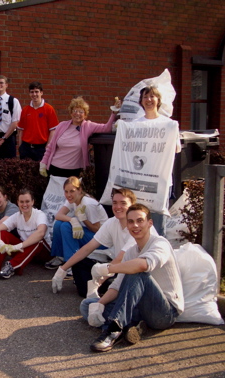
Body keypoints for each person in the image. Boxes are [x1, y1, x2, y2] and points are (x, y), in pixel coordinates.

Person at [81, 204, 184, 352]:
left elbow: (142, 266)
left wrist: (107, 268)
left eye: (140, 220)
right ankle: (131, 327)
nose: (135, 225)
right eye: (130, 221)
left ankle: (113, 330)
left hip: (164, 312)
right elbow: (117, 286)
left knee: (137, 272)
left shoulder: (160, 244)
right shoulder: (131, 252)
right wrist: (99, 305)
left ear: (150, 223)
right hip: (139, 307)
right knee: (87, 305)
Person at [52, 188, 151, 297]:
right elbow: (88, 247)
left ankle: (103, 290)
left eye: (123, 203)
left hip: (134, 271)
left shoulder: (136, 228)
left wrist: (97, 283)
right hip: (116, 267)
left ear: (132, 205)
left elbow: (120, 258)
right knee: (79, 263)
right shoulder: (112, 222)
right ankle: (99, 290)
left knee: (108, 282)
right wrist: (63, 269)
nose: (118, 207)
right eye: (115, 203)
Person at [133, 86, 181, 236]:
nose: (149, 100)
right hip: (140, 179)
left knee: (159, 222)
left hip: (160, 180)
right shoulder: (135, 124)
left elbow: (177, 149)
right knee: (139, 217)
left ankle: (160, 253)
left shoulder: (168, 124)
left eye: (152, 96)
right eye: (145, 97)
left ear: (158, 100)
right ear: (141, 101)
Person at [0, 189, 51, 279]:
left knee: (38, 240)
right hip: (24, 251)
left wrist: (18, 246)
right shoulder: (16, 216)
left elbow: (41, 233)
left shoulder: (39, 214)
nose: (24, 205)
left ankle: (12, 266)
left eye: (27, 201)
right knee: (3, 233)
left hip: (43, 253)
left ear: (32, 202)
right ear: (18, 203)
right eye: (21, 202)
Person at [40, 96, 121, 178]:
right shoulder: (61, 125)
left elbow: (107, 128)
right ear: (71, 112)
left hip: (73, 172)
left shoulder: (88, 126)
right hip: (54, 168)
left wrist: (114, 112)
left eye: (81, 111)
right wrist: (43, 163)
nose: (77, 114)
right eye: (75, 110)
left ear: (85, 114)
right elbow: (51, 146)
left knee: (72, 191)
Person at [46, 176, 109, 271]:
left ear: (79, 190)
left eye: (72, 191)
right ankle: (60, 257)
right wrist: (73, 220)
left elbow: (97, 230)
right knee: (59, 224)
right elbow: (59, 215)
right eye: (66, 191)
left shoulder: (88, 204)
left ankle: (72, 264)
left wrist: (83, 220)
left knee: (66, 227)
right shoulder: (72, 200)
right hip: (90, 234)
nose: (68, 195)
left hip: (101, 240)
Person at [17, 81, 59, 161]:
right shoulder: (25, 110)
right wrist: (20, 147)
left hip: (41, 148)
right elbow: (21, 130)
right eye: (32, 92)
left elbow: (53, 130)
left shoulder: (49, 109)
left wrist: (47, 147)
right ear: (29, 94)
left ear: (41, 93)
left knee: (41, 172)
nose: (34, 94)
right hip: (26, 148)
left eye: (37, 92)